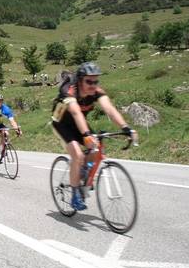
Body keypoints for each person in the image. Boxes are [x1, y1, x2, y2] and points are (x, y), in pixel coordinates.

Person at [51, 62, 137, 211]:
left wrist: (126, 127)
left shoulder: (96, 92)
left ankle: (83, 171)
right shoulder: (69, 90)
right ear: (80, 80)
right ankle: (75, 195)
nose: (93, 85)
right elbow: (76, 112)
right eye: (89, 81)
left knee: (96, 149)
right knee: (78, 155)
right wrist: (86, 135)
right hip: (62, 124)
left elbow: (110, 109)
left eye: (96, 81)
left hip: (79, 123)